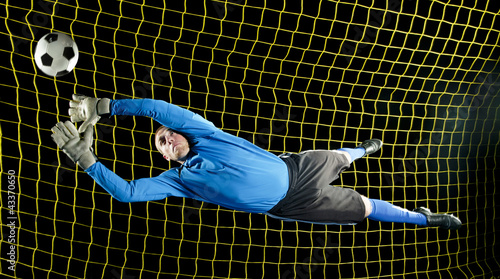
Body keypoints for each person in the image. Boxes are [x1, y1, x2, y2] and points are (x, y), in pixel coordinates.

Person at [51, 95, 462, 230]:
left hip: (297, 168)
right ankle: (426, 219)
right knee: (365, 208)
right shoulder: (179, 180)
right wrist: (87, 159)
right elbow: (127, 192)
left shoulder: (205, 134)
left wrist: (106, 107)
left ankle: (366, 149)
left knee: (340, 156)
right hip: (291, 206)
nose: (167, 138)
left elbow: (160, 109)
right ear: (162, 154)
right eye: (161, 143)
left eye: (167, 133)